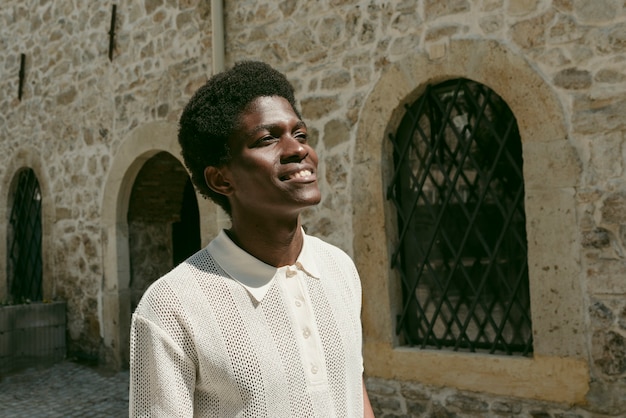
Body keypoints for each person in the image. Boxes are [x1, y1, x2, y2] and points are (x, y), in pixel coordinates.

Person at [129, 60, 375, 417]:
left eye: (300, 134)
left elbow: (353, 391)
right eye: (267, 139)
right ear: (221, 180)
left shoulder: (339, 268)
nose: (297, 149)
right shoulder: (171, 307)